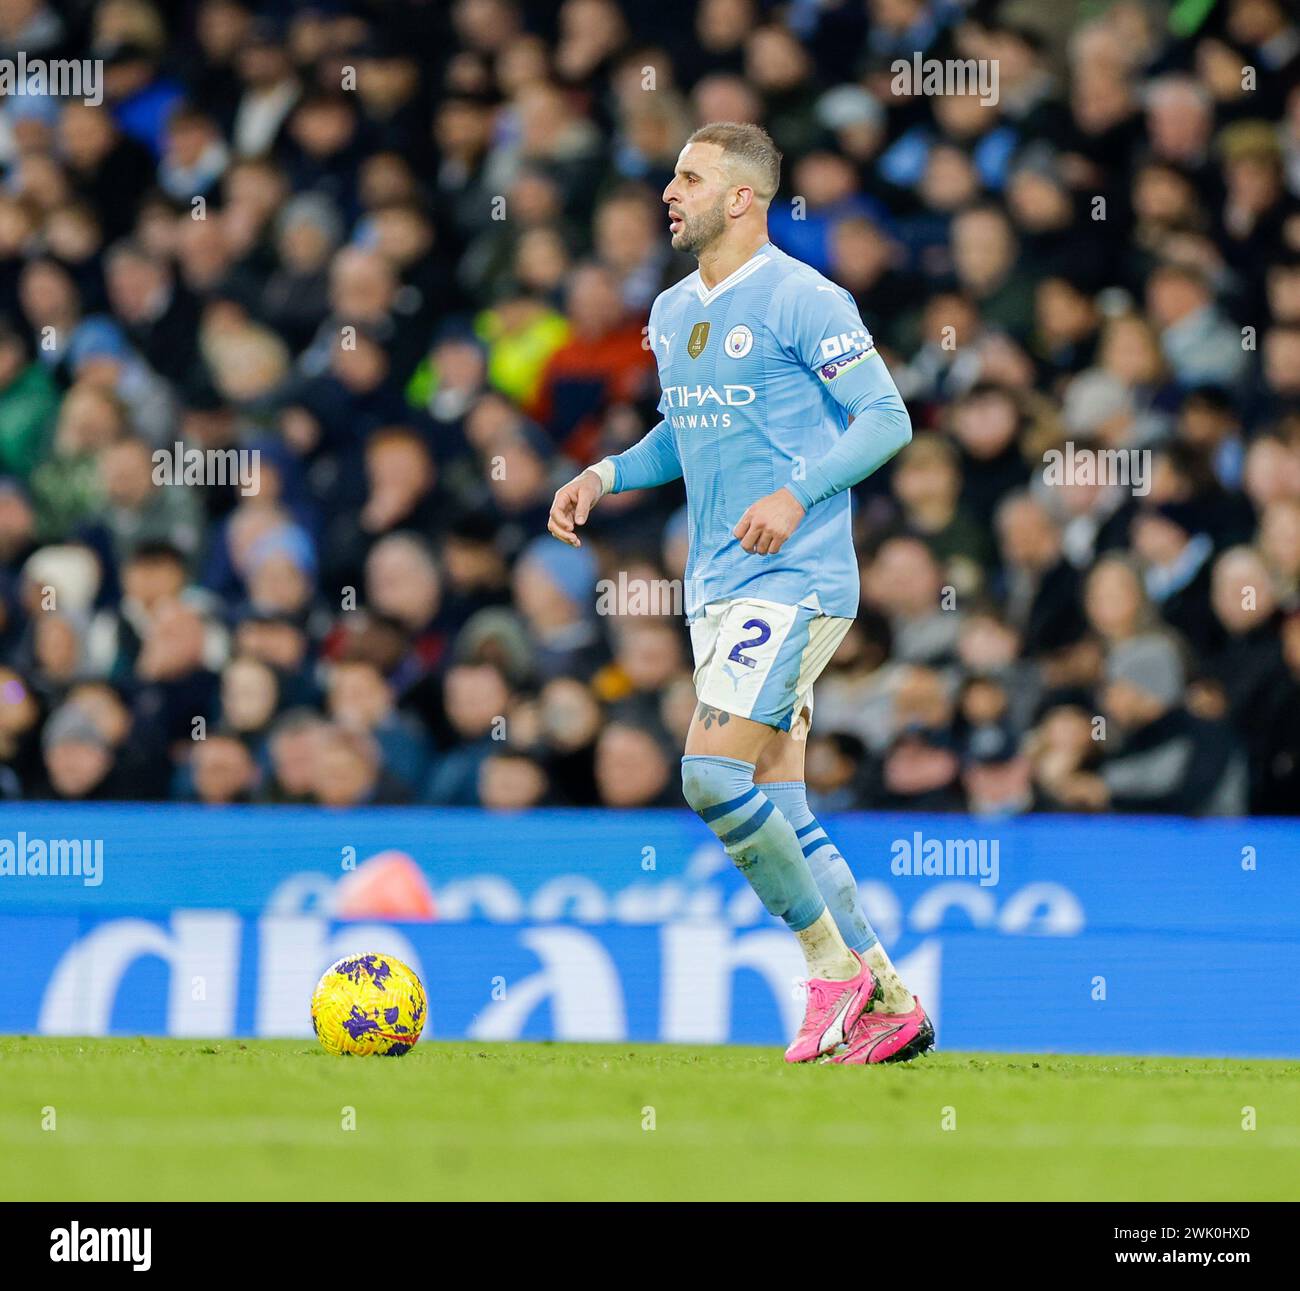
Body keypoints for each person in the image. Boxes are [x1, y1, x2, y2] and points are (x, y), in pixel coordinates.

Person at [548, 121, 929, 1066]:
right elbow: (687, 434)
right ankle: (890, 1000)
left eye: (689, 177)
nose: (668, 192)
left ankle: (827, 969)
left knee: (708, 775)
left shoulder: (806, 297)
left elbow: (888, 417)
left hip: (793, 581)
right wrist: (604, 473)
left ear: (742, 198)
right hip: (717, 587)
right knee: (782, 807)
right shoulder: (674, 311)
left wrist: (797, 494)